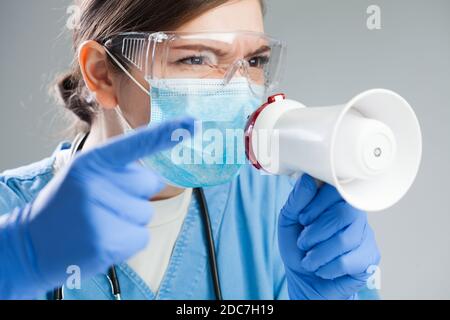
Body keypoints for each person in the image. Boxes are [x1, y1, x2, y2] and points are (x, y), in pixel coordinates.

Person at [0, 0, 380, 300]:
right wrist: (16, 260)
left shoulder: (284, 210)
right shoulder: (14, 216)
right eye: (196, 58)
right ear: (101, 73)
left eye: (255, 61)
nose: (238, 89)